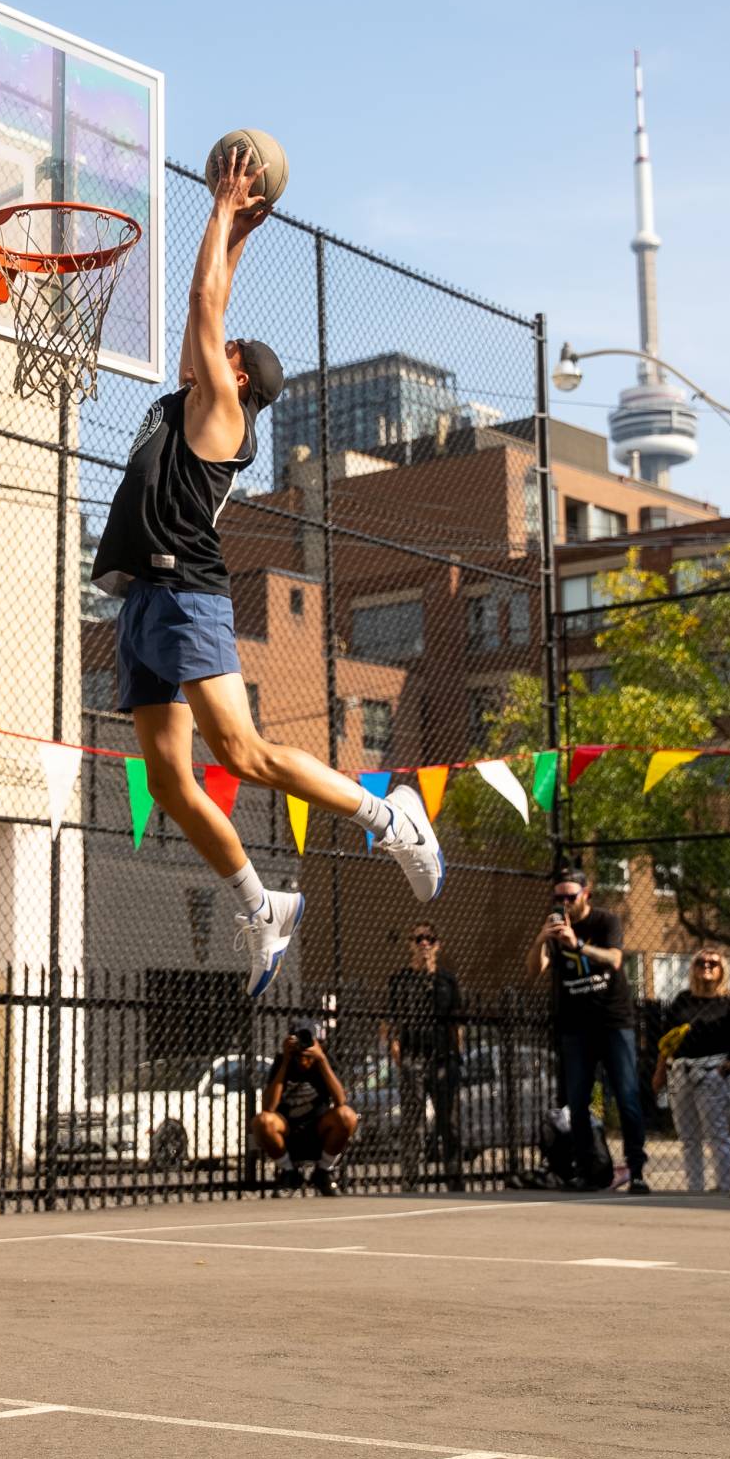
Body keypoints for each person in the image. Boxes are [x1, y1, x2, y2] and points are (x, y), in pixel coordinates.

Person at [93, 144, 442, 997]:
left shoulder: (219, 414)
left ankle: (390, 816)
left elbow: (203, 300)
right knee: (172, 783)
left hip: (186, 595)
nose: (207, 347)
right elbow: (211, 307)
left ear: (236, 373)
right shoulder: (197, 397)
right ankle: (260, 906)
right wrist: (242, 230)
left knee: (239, 752)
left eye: (223, 351)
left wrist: (219, 205)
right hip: (145, 601)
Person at [528, 869, 648, 1193]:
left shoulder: (605, 921)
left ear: (586, 894)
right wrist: (542, 938)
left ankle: (636, 1170)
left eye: (571, 896)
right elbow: (534, 969)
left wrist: (578, 944)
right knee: (577, 1103)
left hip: (612, 1022)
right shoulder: (555, 930)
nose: (565, 903)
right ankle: (587, 1172)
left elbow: (615, 959)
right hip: (575, 1027)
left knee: (627, 1097)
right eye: (559, 898)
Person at [653, 948, 730, 1194]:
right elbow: (666, 1040)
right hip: (681, 1072)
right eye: (701, 962)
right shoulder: (682, 1000)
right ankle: (695, 1187)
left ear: (721, 971)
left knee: (718, 1134)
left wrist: (723, 1070)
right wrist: (660, 1071)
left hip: (711, 1073)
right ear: (693, 968)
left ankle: (724, 1185)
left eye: (713, 963)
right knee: (688, 1136)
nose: (706, 966)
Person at [379, 924, 464, 1183]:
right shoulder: (400, 980)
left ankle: (453, 1174)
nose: (424, 943)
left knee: (448, 1119)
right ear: (410, 944)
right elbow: (389, 1020)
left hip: (442, 1056)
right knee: (412, 1120)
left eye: (429, 939)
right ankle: (411, 1176)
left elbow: (456, 1022)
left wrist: (457, 1053)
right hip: (412, 1055)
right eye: (419, 939)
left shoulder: (447, 980)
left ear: (437, 945)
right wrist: (395, 1048)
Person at [251, 1022, 358, 1196]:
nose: (303, 1048)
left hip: (318, 1130)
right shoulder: (282, 1061)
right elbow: (268, 1107)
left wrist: (321, 1059)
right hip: (287, 1131)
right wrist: (285, 1061)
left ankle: (323, 1172)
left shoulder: (325, 1061)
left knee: (347, 1116)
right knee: (262, 1121)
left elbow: (340, 1100)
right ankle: (289, 1173)